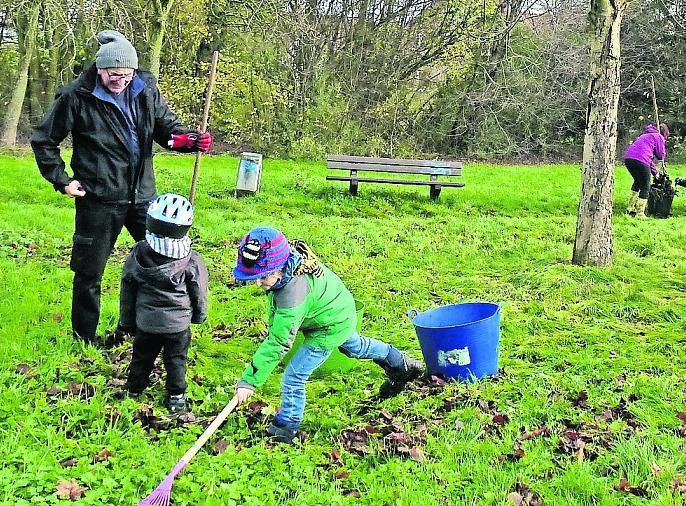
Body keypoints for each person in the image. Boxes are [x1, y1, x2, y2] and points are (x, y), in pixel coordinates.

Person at [31, 30, 212, 346]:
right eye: (114, 75)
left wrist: (184, 141)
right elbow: (44, 140)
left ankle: (162, 328)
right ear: (100, 69)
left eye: (126, 75)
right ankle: (84, 339)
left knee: (167, 260)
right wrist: (61, 180)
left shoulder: (145, 88)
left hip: (143, 197)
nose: (120, 81)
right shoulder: (77, 97)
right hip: (98, 199)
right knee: (89, 273)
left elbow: (166, 128)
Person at [230, 227, 424, 443]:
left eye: (263, 277)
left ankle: (285, 426)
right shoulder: (291, 264)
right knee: (356, 347)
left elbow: (278, 342)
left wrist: (249, 382)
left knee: (294, 376)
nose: (258, 283)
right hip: (338, 308)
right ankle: (400, 363)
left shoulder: (293, 295)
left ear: (279, 269)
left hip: (329, 325)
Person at [119, 194, 208, 413]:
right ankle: (177, 397)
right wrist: (198, 316)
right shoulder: (191, 259)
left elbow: (127, 289)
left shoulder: (138, 253)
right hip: (177, 326)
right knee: (176, 360)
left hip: (146, 323)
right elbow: (199, 291)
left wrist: (127, 322)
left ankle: (133, 390)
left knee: (141, 357)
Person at [623, 123, 669, 218]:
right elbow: (660, 155)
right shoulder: (658, 136)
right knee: (645, 185)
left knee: (638, 181)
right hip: (641, 159)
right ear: (664, 133)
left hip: (629, 158)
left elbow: (648, 160)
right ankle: (640, 213)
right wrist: (662, 146)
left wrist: (655, 173)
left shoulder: (645, 136)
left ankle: (630, 208)